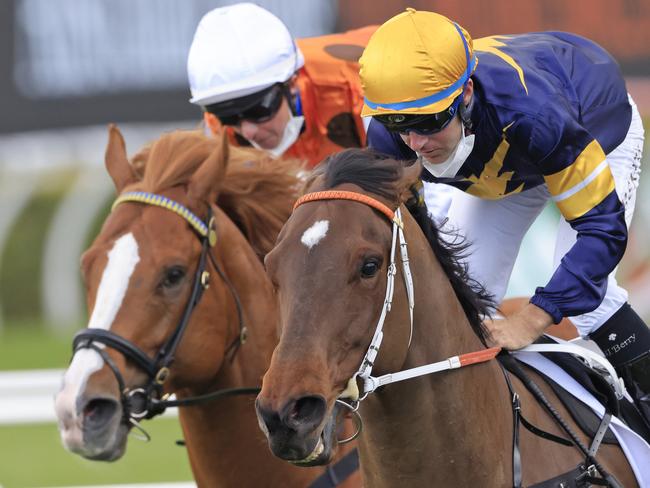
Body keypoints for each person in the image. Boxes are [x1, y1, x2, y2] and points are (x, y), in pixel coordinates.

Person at [359, 8, 650, 421]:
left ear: (465, 94)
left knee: (591, 302)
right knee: (464, 299)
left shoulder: (537, 116)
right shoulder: (391, 135)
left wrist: (533, 318)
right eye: (398, 124)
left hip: (593, 127)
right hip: (504, 157)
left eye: (428, 122)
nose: (416, 142)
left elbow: (602, 232)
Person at [186, 2, 376, 168]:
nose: (247, 132)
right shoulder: (217, 125)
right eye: (229, 118)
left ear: (292, 83)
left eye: (258, 111)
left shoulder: (355, 86)